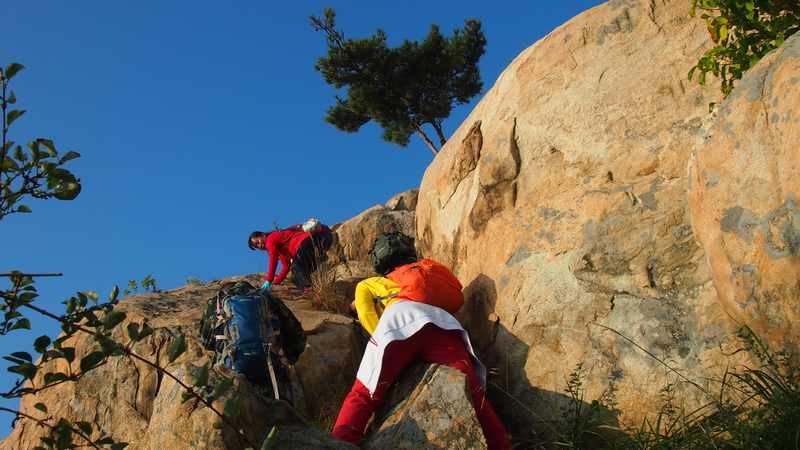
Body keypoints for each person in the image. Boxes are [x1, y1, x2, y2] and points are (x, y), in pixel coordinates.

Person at [332, 234, 511, 450]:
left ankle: (338, 444)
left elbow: (368, 315)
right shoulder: (428, 268)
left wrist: (382, 342)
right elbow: (455, 293)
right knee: (473, 392)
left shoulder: (371, 283)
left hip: (398, 321)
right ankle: (502, 445)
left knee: (363, 394)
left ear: (380, 263)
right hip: (441, 324)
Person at [248, 220, 333, 290]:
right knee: (296, 277)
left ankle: (308, 289)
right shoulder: (281, 250)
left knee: (296, 267)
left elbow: (272, 257)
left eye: (258, 242)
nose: (260, 245)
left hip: (306, 242)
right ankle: (309, 289)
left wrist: (269, 280)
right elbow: (286, 267)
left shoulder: (270, 239)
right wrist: (276, 282)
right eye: (257, 246)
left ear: (263, 235)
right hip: (323, 239)